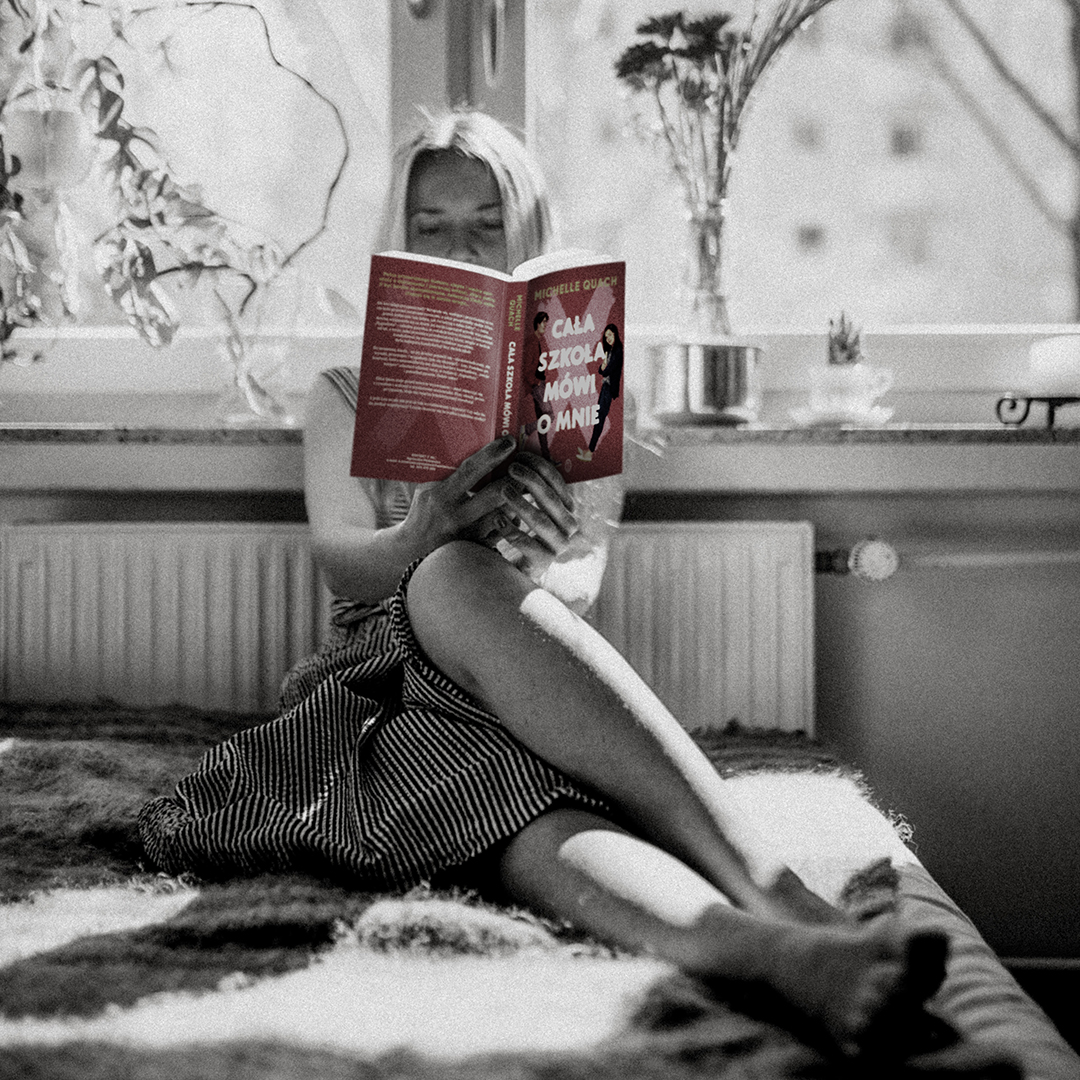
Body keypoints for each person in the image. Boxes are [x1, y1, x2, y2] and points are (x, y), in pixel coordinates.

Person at [139, 110, 950, 1061]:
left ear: (528, 236)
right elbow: (340, 560)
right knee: (459, 625)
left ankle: (787, 928)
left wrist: (533, 560)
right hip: (377, 687)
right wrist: (427, 534)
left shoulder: (583, 390)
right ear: (400, 240)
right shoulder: (341, 395)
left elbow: (577, 589)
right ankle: (779, 935)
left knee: (499, 740)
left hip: (518, 675)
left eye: (487, 226)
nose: (459, 248)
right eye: (432, 228)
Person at [579, 321, 624, 462]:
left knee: (600, 418)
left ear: (615, 334)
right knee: (598, 417)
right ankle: (589, 450)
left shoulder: (618, 351)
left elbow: (606, 370)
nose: (608, 338)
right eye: (606, 336)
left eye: (610, 335)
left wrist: (604, 367)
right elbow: (600, 369)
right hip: (605, 387)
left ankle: (590, 452)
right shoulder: (610, 350)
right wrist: (603, 367)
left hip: (609, 388)